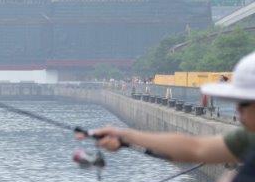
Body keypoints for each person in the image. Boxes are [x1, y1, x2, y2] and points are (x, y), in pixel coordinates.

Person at [90, 52, 255, 165]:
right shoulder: (247, 137)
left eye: (244, 102)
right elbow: (196, 148)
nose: (237, 108)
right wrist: (126, 136)